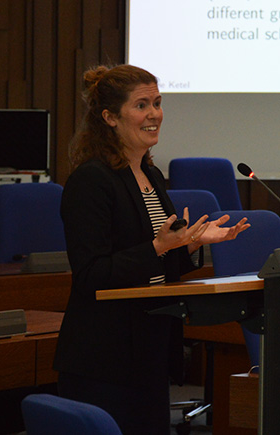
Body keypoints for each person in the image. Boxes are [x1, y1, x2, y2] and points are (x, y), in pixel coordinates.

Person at [53, 64, 250, 434]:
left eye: (157, 103)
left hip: (150, 347)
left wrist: (191, 241)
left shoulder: (150, 174)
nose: (154, 114)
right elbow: (92, 273)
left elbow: (158, 259)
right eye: (142, 105)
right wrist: (160, 245)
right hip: (105, 356)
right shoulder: (90, 181)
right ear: (110, 117)